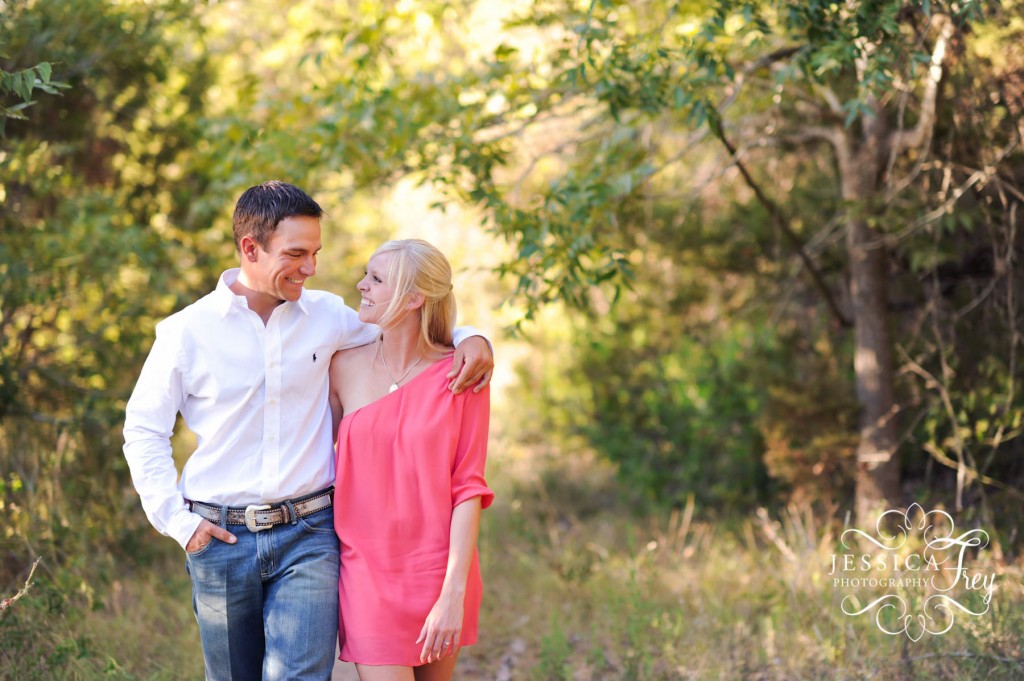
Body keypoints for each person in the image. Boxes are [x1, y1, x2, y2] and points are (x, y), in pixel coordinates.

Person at [122, 182, 494, 681]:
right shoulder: (186, 333)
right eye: (296, 253)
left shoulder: (329, 318)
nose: (311, 268)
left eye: (315, 253)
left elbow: (412, 330)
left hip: (310, 534)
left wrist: (472, 336)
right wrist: (178, 523)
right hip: (221, 537)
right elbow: (144, 430)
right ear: (250, 249)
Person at [329, 239, 493, 681]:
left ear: (415, 297)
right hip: (366, 571)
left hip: (439, 570)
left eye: (377, 279)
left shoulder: (462, 374)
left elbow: (468, 488)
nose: (361, 285)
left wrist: (453, 593)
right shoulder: (341, 366)